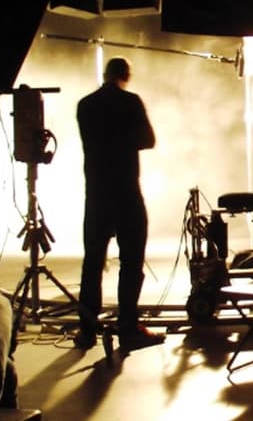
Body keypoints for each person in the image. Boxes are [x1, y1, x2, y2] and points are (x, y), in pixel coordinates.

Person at [74, 57, 164, 350]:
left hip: (96, 195)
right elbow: (149, 140)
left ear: (105, 74)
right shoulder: (130, 102)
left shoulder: (85, 105)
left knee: (92, 263)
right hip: (126, 192)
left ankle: (87, 330)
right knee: (131, 261)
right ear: (126, 75)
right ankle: (127, 327)